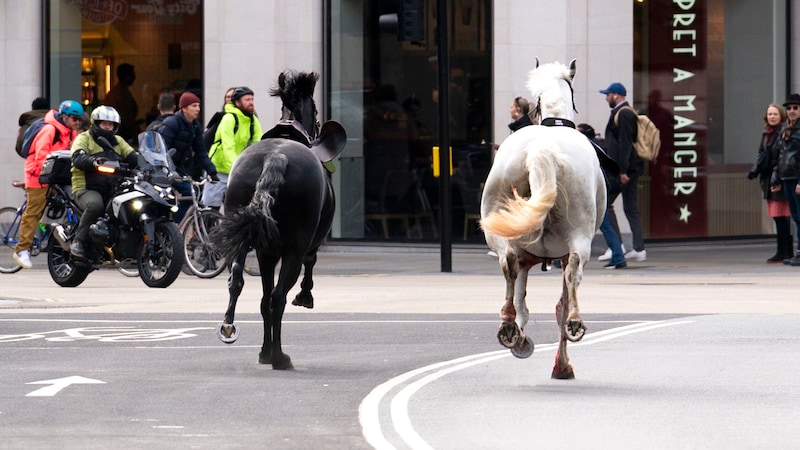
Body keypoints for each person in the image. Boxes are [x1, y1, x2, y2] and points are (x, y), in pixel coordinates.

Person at [12, 100, 84, 269]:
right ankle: (22, 249)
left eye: (79, 120)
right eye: (75, 119)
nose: (77, 123)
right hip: (38, 175)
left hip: (54, 175)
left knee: (65, 204)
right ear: (64, 116)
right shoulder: (49, 129)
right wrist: (47, 174)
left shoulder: (70, 132)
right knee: (33, 211)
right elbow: (40, 155)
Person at [69, 106, 139, 259]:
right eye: (104, 124)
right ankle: (79, 241)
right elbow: (78, 157)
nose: (108, 127)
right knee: (96, 205)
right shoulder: (84, 138)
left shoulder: (118, 141)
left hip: (112, 188)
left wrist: (148, 163)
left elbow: (132, 157)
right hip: (85, 187)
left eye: (111, 124)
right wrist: (92, 161)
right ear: (96, 123)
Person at [598, 82, 646, 262]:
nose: (606, 98)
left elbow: (626, 144)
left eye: (607, 94)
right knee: (630, 208)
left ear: (616, 95)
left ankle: (616, 246)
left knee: (605, 204)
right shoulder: (623, 112)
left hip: (623, 170)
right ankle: (638, 249)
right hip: (628, 169)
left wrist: (623, 171)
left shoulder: (624, 113)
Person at [158, 92, 219, 222]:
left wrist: (212, 171)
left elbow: (201, 151)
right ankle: (166, 225)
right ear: (184, 108)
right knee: (162, 198)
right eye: (194, 106)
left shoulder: (195, 126)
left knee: (192, 194)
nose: (197, 109)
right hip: (163, 167)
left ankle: (174, 223)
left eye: (198, 106)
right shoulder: (171, 123)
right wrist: (167, 170)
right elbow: (161, 149)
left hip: (178, 167)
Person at [204, 86, 263, 208]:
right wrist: (238, 168)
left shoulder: (252, 120)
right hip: (219, 169)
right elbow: (228, 147)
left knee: (237, 207)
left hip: (237, 170)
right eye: (247, 100)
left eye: (252, 99)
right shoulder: (229, 118)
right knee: (210, 208)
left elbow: (259, 146)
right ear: (237, 102)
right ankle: (201, 226)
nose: (251, 102)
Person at [748, 103, 792, 263]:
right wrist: (755, 170)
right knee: (778, 216)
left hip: (778, 179)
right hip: (768, 179)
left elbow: (783, 157)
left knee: (781, 216)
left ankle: (785, 252)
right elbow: (762, 155)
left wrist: (777, 176)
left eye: (775, 114)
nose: (772, 117)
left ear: (781, 116)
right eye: (770, 114)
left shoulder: (783, 133)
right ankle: (783, 251)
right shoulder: (766, 134)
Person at [578, 123, 626, 269]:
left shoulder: (588, 149)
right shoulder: (597, 146)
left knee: (605, 224)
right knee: (604, 224)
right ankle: (618, 255)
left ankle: (618, 256)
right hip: (601, 190)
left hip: (598, 192)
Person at [772, 93, 800, 266]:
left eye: (795, 108)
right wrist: (777, 177)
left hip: (796, 178)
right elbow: (779, 155)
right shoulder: (785, 129)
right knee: (796, 217)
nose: (791, 111)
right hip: (787, 177)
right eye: (788, 108)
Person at [104, 63, 139, 143]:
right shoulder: (121, 93)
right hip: (120, 133)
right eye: (132, 75)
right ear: (126, 76)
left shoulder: (121, 91)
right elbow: (126, 117)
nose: (134, 77)